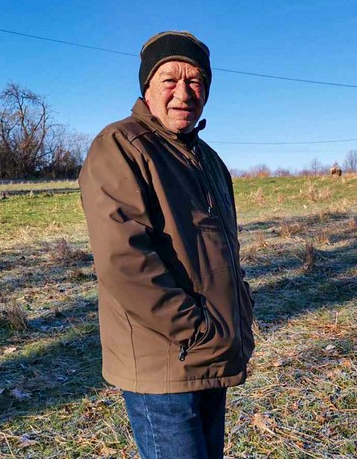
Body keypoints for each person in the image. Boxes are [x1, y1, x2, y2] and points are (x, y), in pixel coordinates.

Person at [78, 31, 255, 459]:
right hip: (165, 360)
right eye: (169, 80)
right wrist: (196, 331)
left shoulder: (209, 159)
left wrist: (238, 314)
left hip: (212, 352)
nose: (184, 93)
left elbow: (224, 251)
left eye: (195, 82)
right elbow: (125, 262)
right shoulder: (121, 146)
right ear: (147, 88)